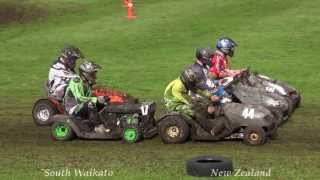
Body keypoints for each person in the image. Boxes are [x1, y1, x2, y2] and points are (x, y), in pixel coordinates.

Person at [63, 60, 108, 133]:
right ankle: (96, 127)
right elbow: (80, 98)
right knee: (91, 104)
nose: (95, 76)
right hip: (72, 108)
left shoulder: (87, 84)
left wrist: (102, 99)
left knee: (103, 104)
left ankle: (108, 123)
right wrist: (96, 99)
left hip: (81, 106)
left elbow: (89, 97)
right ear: (85, 74)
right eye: (92, 74)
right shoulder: (76, 81)